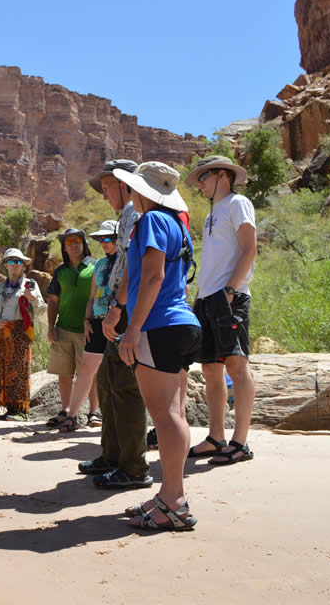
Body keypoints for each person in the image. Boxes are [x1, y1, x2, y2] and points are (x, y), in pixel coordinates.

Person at [112, 162, 201, 531]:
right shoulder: (177, 225)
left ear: (143, 192)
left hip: (158, 326)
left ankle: (174, 500)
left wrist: (132, 329)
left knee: (165, 417)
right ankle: (168, 495)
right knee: (174, 413)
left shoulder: (149, 222)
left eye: (133, 189)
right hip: (182, 325)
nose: (130, 196)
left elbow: (152, 276)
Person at [78, 159, 153, 489]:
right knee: (108, 386)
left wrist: (119, 309)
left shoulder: (136, 214)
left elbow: (132, 267)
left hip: (124, 312)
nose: (104, 194)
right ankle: (111, 455)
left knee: (125, 388)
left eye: (107, 187)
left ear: (125, 184)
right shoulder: (126, 216)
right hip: (114, 311)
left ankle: (134, 466)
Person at [186, 155, 258, 465]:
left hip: (231, 295)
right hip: (207, 298)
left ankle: (240, 442)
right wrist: (200, 297)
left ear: (222, 176)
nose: (200, 184)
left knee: (236, 367)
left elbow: (249, 248)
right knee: (210, 368)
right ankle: (216, 437)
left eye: (204, 177)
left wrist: (230, 290)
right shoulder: (212, 213)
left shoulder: (238, 203)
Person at [57, 221, 117, 432]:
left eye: (108, 239)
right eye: (101, 240)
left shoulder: (126, 261)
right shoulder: (99, 265)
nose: (104, 243)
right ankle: (72, 416)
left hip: (118, 321)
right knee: (86, 369)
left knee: (120, 372)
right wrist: (87, 320)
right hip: (97, 322)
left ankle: (107, 416)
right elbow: (92, 296)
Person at [0, 248, 46, 421]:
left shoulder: (30, 285)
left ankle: (21, 409)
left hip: (21, 331)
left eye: (18, 262)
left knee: (20, 368)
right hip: (3, 332)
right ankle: (10, 407)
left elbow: (42, 311)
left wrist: (32, 298)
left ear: (23, 265)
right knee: (5, 368)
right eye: (11, 261)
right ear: (5, 265)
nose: (15, 265)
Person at [45, 228, 96, 428]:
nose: (74, 245)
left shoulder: (94, 267)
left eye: (77, 240)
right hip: (64, 328)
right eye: (69, 242)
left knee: (91, 373)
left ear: (83, 244)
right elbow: (53, 301)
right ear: (64, 248)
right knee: (64, 373)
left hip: (90, 329)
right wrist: (51, 326)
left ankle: (94, 412)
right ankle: (66, 410)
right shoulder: (60, 271)